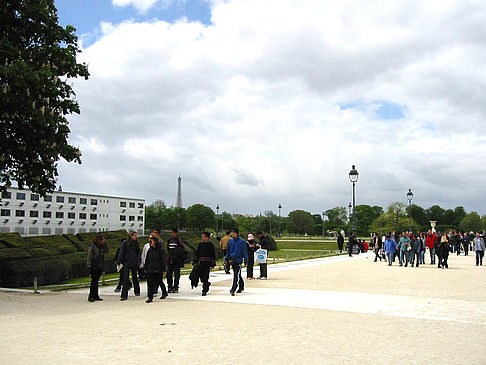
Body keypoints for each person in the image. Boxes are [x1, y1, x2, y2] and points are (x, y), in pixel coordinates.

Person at [116, 231, 141, 301]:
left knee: (135, 277)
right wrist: (119, 261)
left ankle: (137, 291)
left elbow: (138, 252)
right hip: (126, 262)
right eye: (135, 235)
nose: (136, 237)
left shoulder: (136, 243)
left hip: (134, 262)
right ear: (131, 236)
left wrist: (138, 260)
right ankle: (124, 295)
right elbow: (122, 252)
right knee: (125, 278)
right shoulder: (125, 243)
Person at [144, 236, 168, 303]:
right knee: (150, 283)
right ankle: (150, 297)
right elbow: (147, 259)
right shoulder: (150, 250)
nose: (150, 242)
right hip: (150, 269)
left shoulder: (160, 250)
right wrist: (146, 267)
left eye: (152, 241)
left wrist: (164, 269)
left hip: (158, 269)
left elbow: (163, 261)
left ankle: (164, 292)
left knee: (159, 281)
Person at [225, 228, 248, 295]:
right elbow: (228, 251)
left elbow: (244, 252)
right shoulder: (230, 241)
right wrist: (226, 259)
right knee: (237, 274)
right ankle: (241, 286)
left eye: (234, 233)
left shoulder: (242, 242)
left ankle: (233, 288)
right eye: (232, 233)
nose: (232, 234)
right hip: (231, 260)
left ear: (237, 233)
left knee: (236, 275)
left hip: (238, 260)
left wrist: (246, 261)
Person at [86, 233, 108, 302]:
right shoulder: (92, 246)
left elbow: (106, 251)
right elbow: (89, 255)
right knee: (94, 281)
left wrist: (104, 244)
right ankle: (91, 296)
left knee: (96, 281)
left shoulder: (102, 246)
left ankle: (96, 295)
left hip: (99, 265)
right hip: (94, 265)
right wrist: (89, 265)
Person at [195, 231, 216, 296]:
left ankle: (204, 290)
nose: (202, 238)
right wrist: (195, 261)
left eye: (203, 236)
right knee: (201, 276)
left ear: (207, 237)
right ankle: (206, 283)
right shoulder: (200, 245)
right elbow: (197, 253)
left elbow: (213, 255)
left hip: (207, 263)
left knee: (206, 276)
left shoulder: (211, 245)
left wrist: (212, 264)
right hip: (201, 263)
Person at [166, 228, 187, 293]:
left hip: (176, 260)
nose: (171, 234)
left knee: (177, 274)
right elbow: (168, 249)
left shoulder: (178, 240)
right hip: (170, 260)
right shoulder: (169, 240)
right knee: (169, 274)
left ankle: (176, 287)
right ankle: (170, 286)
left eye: (172, 233)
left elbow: (183, 249)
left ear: (176, 233)